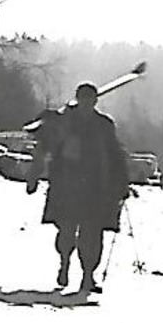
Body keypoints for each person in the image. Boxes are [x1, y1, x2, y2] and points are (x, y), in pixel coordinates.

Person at [27, 82, 128, 294]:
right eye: (83, 100)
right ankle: (64, 262)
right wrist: (33, 176)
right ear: (77, 99)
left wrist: (121, 184)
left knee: (92, 235)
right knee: (66, 231)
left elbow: (115, 154)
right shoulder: (63, 122)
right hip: (67, 185)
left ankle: (88, 275)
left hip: (95, 188)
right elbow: (43, 141)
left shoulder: (103, 125)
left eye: (90, 100)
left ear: (95, 102)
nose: (86, 104)